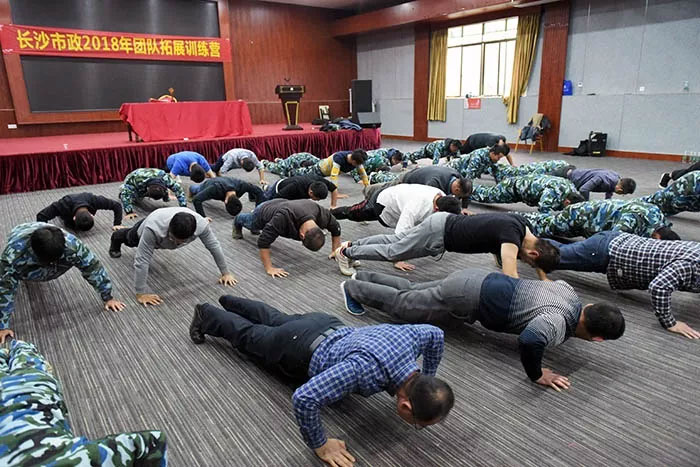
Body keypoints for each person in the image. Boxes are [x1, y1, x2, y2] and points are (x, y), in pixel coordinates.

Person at [189, 295, 453, 466]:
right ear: (405, 406)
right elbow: (304, 398)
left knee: (277, 319)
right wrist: (321, 445)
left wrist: (428, 378)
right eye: (418, 424)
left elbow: (436, 334)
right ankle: (207, 314)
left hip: (325, 323)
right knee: (249, 336)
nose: (415, 426)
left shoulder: (411, 340)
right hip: (297, 349)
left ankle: (231, 300)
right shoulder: (364, 370)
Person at [340, 269, 625, 391]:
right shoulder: (557, 323)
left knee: (414, 290)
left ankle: (365, 275)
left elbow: (547, 297)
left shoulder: (569, 292)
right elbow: (529, 340)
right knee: (404, 306)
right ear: (597, 339)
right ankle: (352, 287)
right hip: (467, 296)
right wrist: (537, 374)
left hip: (478, 277)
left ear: (589, 307)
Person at [0, 340, 167, 465]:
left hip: (31, 391)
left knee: (23, 352)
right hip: (32, 394)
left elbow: (151, 442)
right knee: (21, 356)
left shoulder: (76, 459)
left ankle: (16, 346)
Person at [543, 232, 700, 339]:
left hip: (615, 246)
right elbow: (659, 287)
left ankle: (534, 240)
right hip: (607, 252)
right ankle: (528, 238)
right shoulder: (691, 265)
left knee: (559, 251)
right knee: (550, 256)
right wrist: (670, 323)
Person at [0, 223, 125, 343]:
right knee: (16, 275)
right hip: (21, 232)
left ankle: (50, 264)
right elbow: (5, 289)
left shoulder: (73, 246)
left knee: (71, 263)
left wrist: (108, 297)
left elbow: (93, 269)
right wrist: (3, 325)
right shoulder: (12, 256)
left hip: (50, 237)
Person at [333, 212, 559, 278]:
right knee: (394, 252)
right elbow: (510, 276)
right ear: (533, 252)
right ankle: (347, 252)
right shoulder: (512, 237)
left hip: (442, 222)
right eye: (530, 262)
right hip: (439, 234)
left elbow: (530, 254)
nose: (525, 262)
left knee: (396, 241)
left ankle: (353, 244)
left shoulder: (522, 225)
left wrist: (543, 277)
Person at [109, 207, 237, 306]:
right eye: (173, 239)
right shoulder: (152, 229)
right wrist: (140, 293)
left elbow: (214, 246)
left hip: (166, 220)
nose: (176, 244)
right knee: (129, 239)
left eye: (181, 242)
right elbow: (142, 260)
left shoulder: (201, 225)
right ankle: (116, 238)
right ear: (169, 229)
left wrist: (225, 273)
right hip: (148, 224)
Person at [233, 199, 342, 278]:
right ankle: (237, 220)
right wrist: (269, 268)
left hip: (284, 204)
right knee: (250, 223)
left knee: (264, 229)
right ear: (302, 236)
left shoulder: (322, 216)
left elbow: (336, 228)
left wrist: (335, 250)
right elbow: (263, 242)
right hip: (263, 211)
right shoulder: (283, 218)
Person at [521, 199, 678, 240]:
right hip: (580, 216)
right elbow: (612, 241)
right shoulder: (632, 219)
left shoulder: (658, 216)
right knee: (544, 229)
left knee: (549, 222)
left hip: (590, 216)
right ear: (657, 236)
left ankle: (522, 217)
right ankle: (518, 219)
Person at [365, 166, 473, 209]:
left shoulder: (459, 178)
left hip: (422, 175)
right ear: (457, 190)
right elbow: (427, 202)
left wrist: (464, 208)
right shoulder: (434, 183)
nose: (459, 198)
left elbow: (467, 194)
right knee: (386, 190)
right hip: (408, 179)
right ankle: (368, 190)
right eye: (459, 196)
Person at [470, 174, 585, 213]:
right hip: (512, 188)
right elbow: (543, 210)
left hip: (522, 187)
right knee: (486, 195)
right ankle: (466, 189)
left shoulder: (572, 190)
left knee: (487, 193)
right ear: (567, 201)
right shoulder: (553, 192)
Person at [119, 168, 187, 220]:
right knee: (135, 197)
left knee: (166, 197)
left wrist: (183, 207)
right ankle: (125, 194)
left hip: (154, 178)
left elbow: (179, 190)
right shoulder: (138, 180)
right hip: (134, 178)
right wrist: (129, 212)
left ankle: (165, 196)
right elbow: (126, 191)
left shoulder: (166, 179)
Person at [36, 192, 124, 231]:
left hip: (82, 200)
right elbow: (41, 216)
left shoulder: (94, 200)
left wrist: (117, 224)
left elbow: (116, 205)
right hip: (67, 211)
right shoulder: (62, 205)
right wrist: (47, 232)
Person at [288, 150, 370, 189]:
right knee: (298, 174)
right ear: (354, 161)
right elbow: (334, 176)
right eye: (358, 164)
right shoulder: (339, 158)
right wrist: (335, 191)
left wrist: (367, 187)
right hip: (319, 170)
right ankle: (288, 168)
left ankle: (305, 164)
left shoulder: (356, 159)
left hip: (323, 165)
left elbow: (363, 174)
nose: (359, 166)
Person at [189, 177, 264, 218]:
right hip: (210, 183)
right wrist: (203, 218)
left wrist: (257, 211)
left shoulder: (242, 186)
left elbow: (258, 191)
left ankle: (252, 198)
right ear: (225, 201)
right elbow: (196, 200)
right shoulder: (215, 189)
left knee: (251, 188)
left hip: (227, 181)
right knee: (196, 190)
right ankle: (191, 188)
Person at [551, 167, 636, 201]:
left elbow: (610, 189)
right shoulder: (601, 179)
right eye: (622, 194)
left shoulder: (616, 177)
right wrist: (586, 204)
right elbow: (583, 189)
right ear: (620, 190)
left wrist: (608, 202)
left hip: (573, 174)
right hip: (564, 176)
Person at [262, 175, 338, 207]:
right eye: (317, 199)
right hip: (279, 188)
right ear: (311, 192)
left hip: (293, 191)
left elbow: (334, 188)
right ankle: (264, 190)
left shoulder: (319, 181)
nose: (318, 201)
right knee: (265, 203)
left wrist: (333, 206)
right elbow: (277, 198)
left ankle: (267, 187)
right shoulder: (295, 186)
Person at [446, 145, 511, 180]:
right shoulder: (478, 156)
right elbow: (469, 175)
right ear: (493, 153)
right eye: (498, 157)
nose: (498, 160)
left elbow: (495, 169)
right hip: (453, 168)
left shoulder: (492, 158)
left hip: (462, 172)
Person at [493, 160, 573, 182]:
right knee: (517, 172)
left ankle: (498, 167)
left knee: (519, 171)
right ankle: (497, 167)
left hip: (538, 166)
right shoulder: (560, 171)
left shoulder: (565, 164)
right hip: (538, 169)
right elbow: (543, 175)